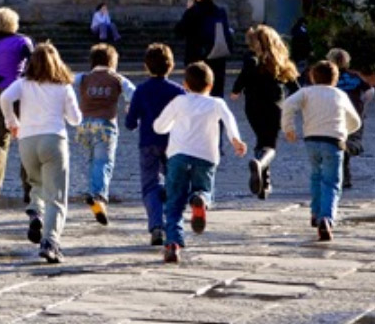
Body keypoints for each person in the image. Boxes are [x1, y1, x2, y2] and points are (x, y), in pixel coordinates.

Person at [153, 62, 247, 263]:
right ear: (211, 86)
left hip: (178, 156)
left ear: (185, 84)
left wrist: (170, 125)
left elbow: (159, 127)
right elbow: (229, 121)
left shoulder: (179, 101)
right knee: (203, 188)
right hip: (206, 157)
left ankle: (172, 244)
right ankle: (201, 200)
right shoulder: (216, 103)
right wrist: (236, 140)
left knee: (174, 202)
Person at [0, 43, 82, 264]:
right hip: (54, 139)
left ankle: (36, 212)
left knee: (36, 183)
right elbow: (75, 119)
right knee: (56, 196)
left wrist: (12, 121)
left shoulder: (23, 84)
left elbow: (5, 98)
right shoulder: (63, 86)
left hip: (27, 140)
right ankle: (50, 242)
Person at [282, 60, 362, 241]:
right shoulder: (340, 95)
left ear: (312, 76)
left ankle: (315, 212)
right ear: (336, 78)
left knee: (316, 176)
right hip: (333, 141)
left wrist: (288, 127)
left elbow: (288, 105)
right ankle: (326, 217)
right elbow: (355, 121)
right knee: (332, 181)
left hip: (311, 139)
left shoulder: (305, 92)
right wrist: (344, 131)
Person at [125, 43, 185, 247]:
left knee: (150, 185)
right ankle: (172, 224)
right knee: (174, 184)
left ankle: (156, 225)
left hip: (148, 142)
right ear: (171, 66)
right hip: (173, 144)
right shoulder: (178, 91)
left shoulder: (141, 91)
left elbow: (130, 123)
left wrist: (131, 115)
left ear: (146, 66)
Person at [230, 25, 300, 199]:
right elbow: (295, 88)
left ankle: (264, 184)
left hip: (252, 107)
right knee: (270, 146)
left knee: (261, 141)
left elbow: (241, 79)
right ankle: (260, 165)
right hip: (275, 106)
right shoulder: (280, 60)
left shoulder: (250, 60)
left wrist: (236, 91)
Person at [74, 44, 134, 225]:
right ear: (113, 62)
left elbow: (65, 82)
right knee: (103, 162)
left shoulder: (83, 78)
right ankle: (98, 196)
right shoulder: (117, 79)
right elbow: (134, 94)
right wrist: (129, 108)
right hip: (106, 126)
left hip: (84, 126)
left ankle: (93, 192)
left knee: (91, 161)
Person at [0, 7, 34, 212]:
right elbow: (34, 63)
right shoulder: (23, 41)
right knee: (26, 141)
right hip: (19, 93)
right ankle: (28, 186)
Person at [174, 0, 235, 98]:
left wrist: (188, 9)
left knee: (196, 94)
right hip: (217, 57)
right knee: (216, 94)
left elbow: (179, 32)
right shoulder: (220, 11)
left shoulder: (192, 12)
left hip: (196, 59)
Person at [328, 48, 375, 188]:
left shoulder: (328, 76)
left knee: (338, 142)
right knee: (353, 140)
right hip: (353, 114)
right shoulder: (354, 76)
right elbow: (370, 91)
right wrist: (363, 107)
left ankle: (343, 175)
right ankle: (345, 175)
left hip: (334, 114)